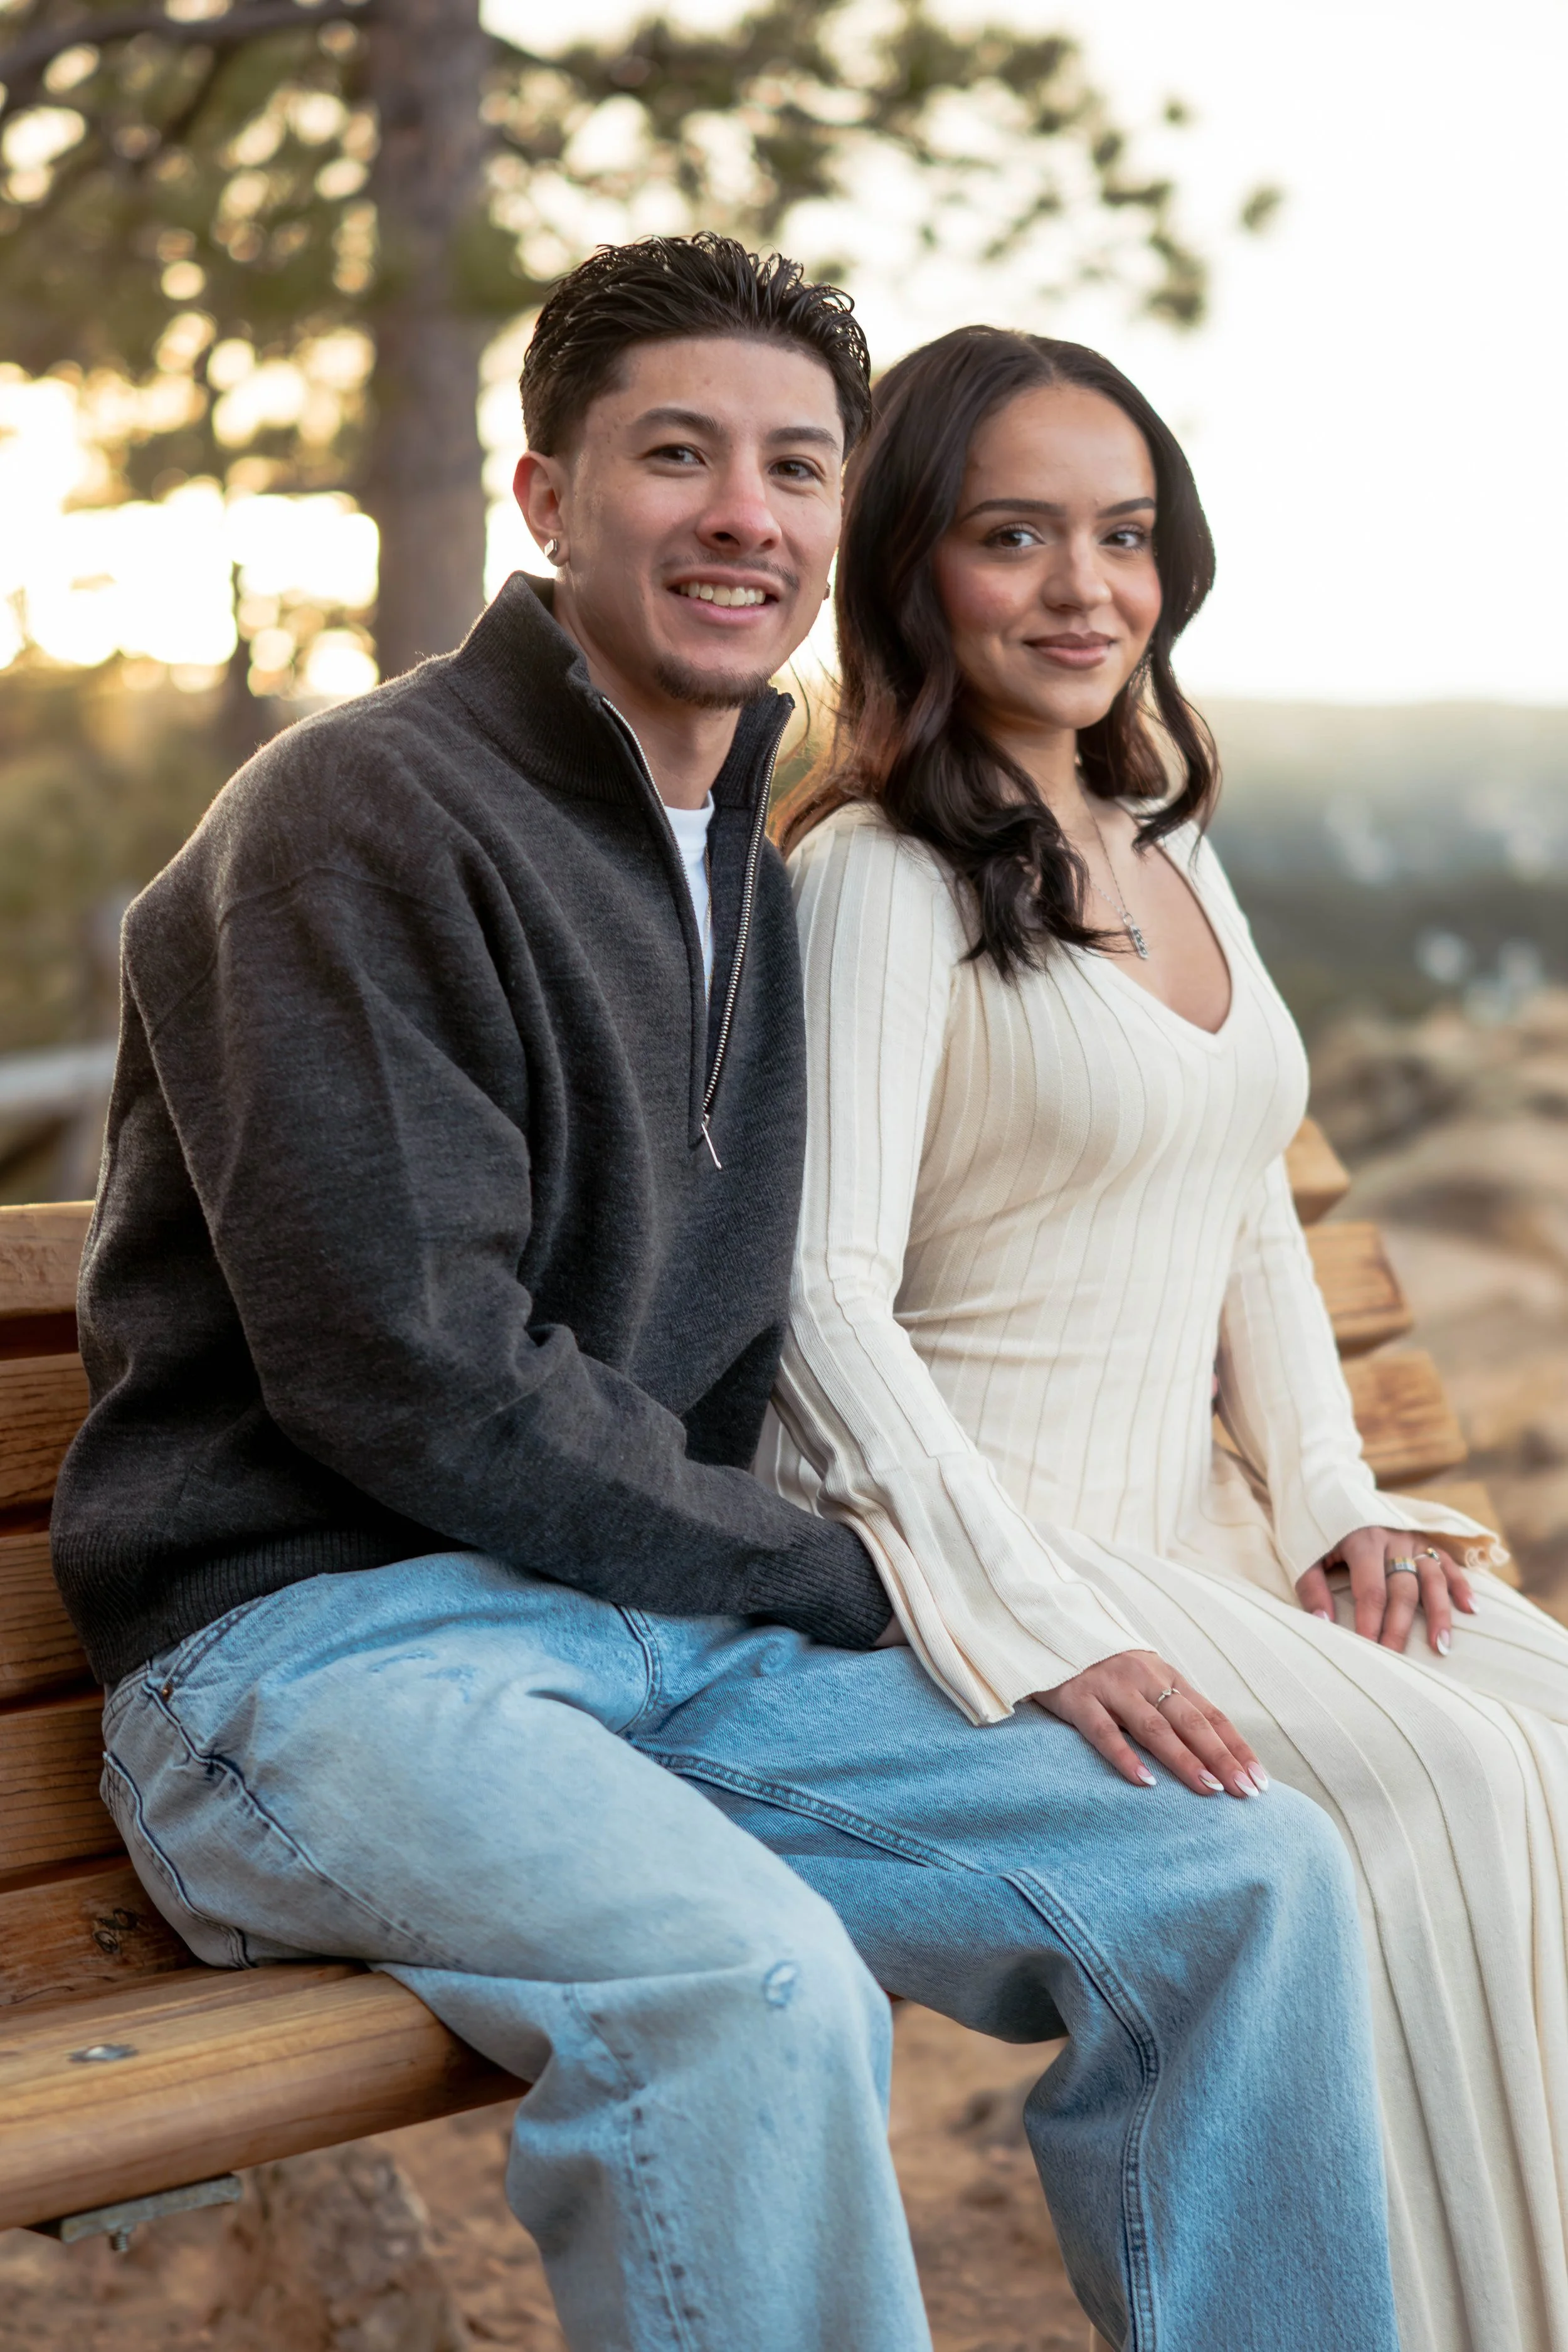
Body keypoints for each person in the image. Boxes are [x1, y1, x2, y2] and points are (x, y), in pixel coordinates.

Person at [54, 241, 1399, 2352]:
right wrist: (876, 1576)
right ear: (545, 499)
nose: (740, 515)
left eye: (792, 466)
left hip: (659, 1642)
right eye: (673, 455)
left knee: (1241, 1879)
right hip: (318, 1662)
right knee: (748, 1988)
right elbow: (407, 1373)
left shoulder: (742, 860)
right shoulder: (353, 817)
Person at [767, 319, 1568, 2352]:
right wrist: (1024, 1619)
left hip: (1199, 1529)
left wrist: (1328, 1496)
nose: (1082, 588)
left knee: (1545, 1724)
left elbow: (1243, 1209)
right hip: (996, 1553)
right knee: (1448, 1788)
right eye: (1012, 535)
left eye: (1120, 534)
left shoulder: (1168, 845)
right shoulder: (874, 873)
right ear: (910, 566)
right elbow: (814, 1292)